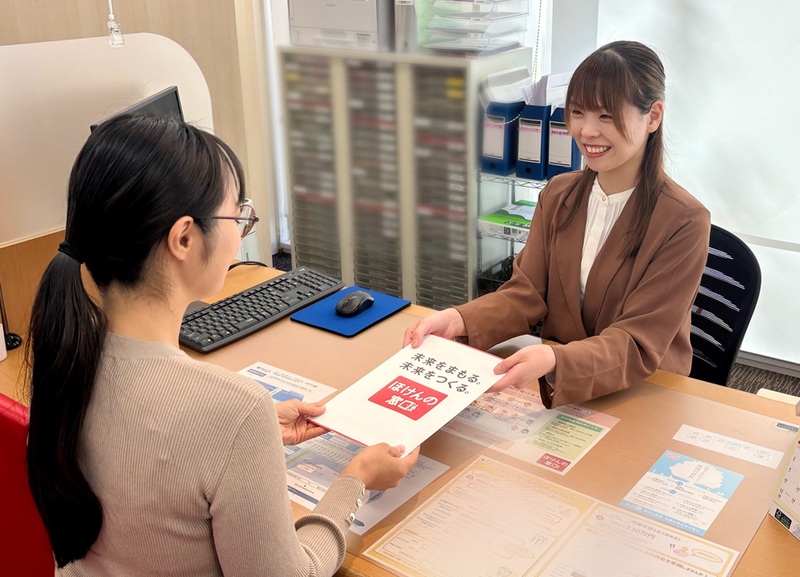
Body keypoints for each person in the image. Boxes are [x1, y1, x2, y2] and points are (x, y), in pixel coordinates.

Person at [26, 114, 418, 576]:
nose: (241, 231)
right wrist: (356, 480)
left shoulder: (63, 364)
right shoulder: (234, 409)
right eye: (237, 214)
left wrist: (247, 438)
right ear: (184, 238)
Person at [404, 41, 711, 409]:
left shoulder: (684, 220)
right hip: (559, 382)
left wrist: (556, 360)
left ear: (653, 116)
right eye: (577, 112)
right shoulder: (558, 194)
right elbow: (526, 293)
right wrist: (458, 319)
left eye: (606, 116)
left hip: (641, 391)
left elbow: (637, 341)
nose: (587, 131)